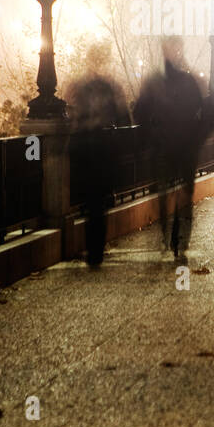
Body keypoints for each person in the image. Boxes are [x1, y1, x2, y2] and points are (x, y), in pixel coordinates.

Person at [134, 36, 210, 263]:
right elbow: (141, 112)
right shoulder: (179, 81)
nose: (172, 52)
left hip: (178, 147)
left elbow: (139, 112)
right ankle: (173, 236)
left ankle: (176, 237)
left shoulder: (170, 81)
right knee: (172, 193)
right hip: (172, 147)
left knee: (178, 193)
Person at [66, 43, 130, 267]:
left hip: (85, 151)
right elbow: (124, 118)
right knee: (98, 204)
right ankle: (96, 250)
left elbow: (71, 117)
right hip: (103, 151)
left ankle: (93, 249)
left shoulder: (78, 87)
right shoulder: (110, 87)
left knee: (91, 201)